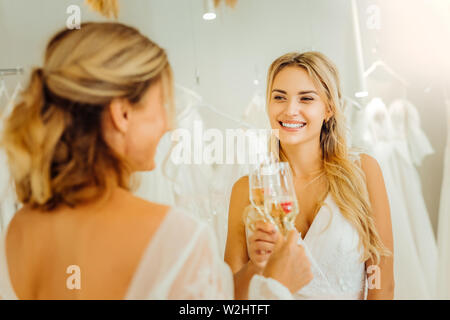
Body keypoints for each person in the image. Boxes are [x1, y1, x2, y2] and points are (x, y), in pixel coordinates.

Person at [0, 22, 310, 300]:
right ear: (122, 114)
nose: (170, 125)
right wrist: (277, 288)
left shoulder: (21, 227)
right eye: (161, 103)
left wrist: (259, 272)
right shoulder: (175, 236)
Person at [225, 52, 395, 300]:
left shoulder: (364, 171)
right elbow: (228, 299)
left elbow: (382, 287)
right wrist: (257, 266)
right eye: (279, 97)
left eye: (306, 99)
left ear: (328, 109)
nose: (290, 110)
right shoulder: (247, 190)